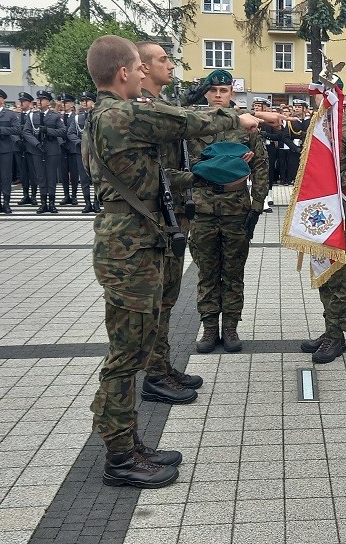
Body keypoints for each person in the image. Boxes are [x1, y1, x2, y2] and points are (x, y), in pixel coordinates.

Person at [84, 34, 262, 488]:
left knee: (137, 346)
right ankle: (119, 458)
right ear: (124, 72)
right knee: (125, 357)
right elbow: (186, 120)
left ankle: (129, 442)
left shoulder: (106, 116)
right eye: (139, 67)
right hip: (129, 249)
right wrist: (238, 117)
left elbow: (153, 178)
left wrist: (204, 177)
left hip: (135, 241)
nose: (144, 72)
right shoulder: (121, 114)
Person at [134, 40, 204, 405]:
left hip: (173, 217)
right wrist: (200, 177)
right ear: (143, 67)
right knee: (157, 302)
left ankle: (161, 366)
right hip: (155, 220)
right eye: (163, 59)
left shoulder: (162, 106)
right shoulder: (143, 111)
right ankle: (154, 375)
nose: (171, 65)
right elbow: (157, 173)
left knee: (168, 299)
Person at [189, 69, 269, 354]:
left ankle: (231, 326)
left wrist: (257, 207)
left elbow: (261, 167)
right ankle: (210, 327)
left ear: (232, 93)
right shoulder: (193, 124)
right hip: (203, 210)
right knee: (207, 272)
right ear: (206, 93)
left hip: (236, 209)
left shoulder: (245, 124)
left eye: (224, 90)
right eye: (213, 90)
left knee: (234, 272)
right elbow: (186, 164)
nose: (218, 95)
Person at [300, 81, 346, 363]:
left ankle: (337, 335)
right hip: (318, 210)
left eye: (325, 95)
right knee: (324, 270)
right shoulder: (317, 126)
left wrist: (330, 182)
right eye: (317, 96)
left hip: (341, 210)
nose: (320, 100)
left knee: (339, 274)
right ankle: (330, 328)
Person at [22, 90, 67, 214]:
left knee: (51, 177)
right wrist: (36, 143)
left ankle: (51, 203)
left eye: (42, 99)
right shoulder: (32, 116)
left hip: (52, 150)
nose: (39, 101)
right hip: (37, 150)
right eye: (38, 99)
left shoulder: (55, 116)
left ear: (48, 102)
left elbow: (63, 131)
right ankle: (43, 203)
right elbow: (26, 132)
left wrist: (48, 131)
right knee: (41, 177)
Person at [68, 92, 99, 213]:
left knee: (96, 177)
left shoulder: (97, 115)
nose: (84, 103)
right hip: (81, 151)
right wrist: (80, 142)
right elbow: (71, 133)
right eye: (82, 100)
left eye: (87, 100)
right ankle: (87, 203)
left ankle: (96, 202)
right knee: (84, 178)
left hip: (95, 151)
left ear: (93, 102)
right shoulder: (77, 118)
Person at [15, 92, 38, 205]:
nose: (21, 103)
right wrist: (17, 140)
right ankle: (25, 195)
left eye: (23, 101)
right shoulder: (16, 116)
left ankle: (33, 195)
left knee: (33, 173)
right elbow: (13, 130)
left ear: (29, 103)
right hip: (20, 148)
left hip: (31, 148)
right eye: (20, 101)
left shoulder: (34, 116)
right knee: (23, 174)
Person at [59, 93, 80, 205]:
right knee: (63, 173)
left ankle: (74, 195)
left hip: (72, 148)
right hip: (62, 148)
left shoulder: (75, 117)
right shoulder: (59, 117)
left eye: (66, 102)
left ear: (72, 104)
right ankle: (66, 195)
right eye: (62, 102)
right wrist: (60, 142)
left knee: (74, 173)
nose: (63, 104)